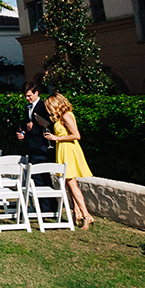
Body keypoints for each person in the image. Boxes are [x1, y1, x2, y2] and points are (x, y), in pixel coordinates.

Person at [43, 93, 94, 229]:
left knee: (72, 184)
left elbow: (76, 135)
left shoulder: (66, 115)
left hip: (69, 150)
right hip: (63, 149)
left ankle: (86, 214)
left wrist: (56, 138)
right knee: (69, 183)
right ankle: (76, 212)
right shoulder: (61, 117)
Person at [16, 81, 54, 212]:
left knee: (42, 177)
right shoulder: (28, 107)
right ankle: (43, 207)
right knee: (36, 177)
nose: (27, 98)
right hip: (32, 146)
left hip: (42, 147)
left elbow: (49, 126)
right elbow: (25, 124)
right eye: (26, 96)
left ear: (36, 93)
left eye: (29, 95)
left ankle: (47, 207)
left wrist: (34, 128)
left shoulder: (44, 106)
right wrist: (23, 133)